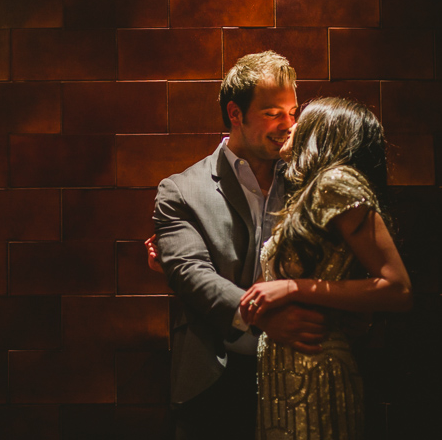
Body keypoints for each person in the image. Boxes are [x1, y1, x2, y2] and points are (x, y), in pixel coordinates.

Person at [152, 52, 330, 440]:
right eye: (273, 113)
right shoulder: (180, 190)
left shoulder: (310, 180)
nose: (289, 125)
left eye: (292, 111)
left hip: (300, 374)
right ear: (236, 113)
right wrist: (263, 318)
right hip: (215, 378)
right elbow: (190, 274)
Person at [240, 96, 412, 439]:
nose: (290, 125)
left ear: (323, 131)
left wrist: (293, 288)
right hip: (284, 371)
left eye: (300, 117)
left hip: (313, 367)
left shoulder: (335, 182)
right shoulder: (308, 193)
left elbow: (399, 289)